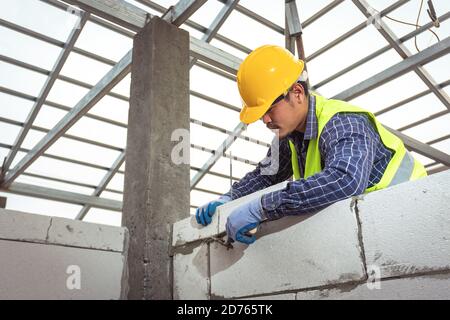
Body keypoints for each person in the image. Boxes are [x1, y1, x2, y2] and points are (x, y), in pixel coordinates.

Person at [195, 45, 427, 245]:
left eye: (269, 110)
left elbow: (345, 180)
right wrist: (228, 198)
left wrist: (263, 207)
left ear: (296, 92)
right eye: (260, 114)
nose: (265, 120)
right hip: (371, 223)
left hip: (413, 211)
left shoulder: (343, 122)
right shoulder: (289, 137)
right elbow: (266, 176)